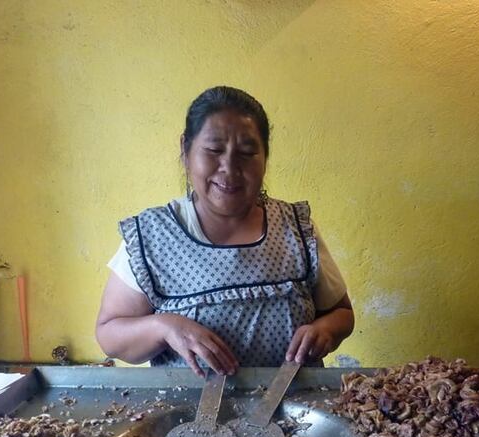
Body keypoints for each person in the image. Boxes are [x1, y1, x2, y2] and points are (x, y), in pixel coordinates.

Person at [96, 86, 354, 377]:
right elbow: (110, 335)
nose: (229, 168)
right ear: (186, 150)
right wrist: (164, 326)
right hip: (189, 416)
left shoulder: (294, 227)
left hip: (297, 413)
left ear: (265, 159)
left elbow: (342, 314)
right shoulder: (152, 236)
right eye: (214, 150)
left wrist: (324, 330)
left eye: (247, 153)